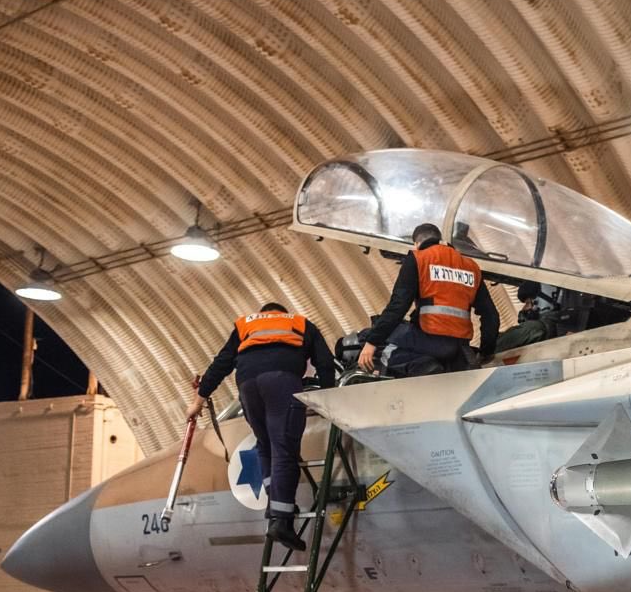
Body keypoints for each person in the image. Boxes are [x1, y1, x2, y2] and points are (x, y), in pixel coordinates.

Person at [189, 302, 335, 552]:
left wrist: (198, 400)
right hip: (281, 381)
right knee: (284, 449)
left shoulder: (246, 324)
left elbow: (221, 364)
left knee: (265, 444)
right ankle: (282, 521)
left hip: (248, 386)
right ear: (282, 312)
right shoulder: (301, 324)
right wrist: (329, 397)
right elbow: (325, 362)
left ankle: (274, 506)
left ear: (264, 313)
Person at [360, 222, 499, 377]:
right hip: (460, 347)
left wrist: (372, 342)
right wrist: (486, 352)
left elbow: (398, 306)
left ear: (417, 244)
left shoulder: (419, 258)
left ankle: (423, 366)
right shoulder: (470, 266)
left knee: (385, 341)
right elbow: (491, 315)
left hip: (430, 339)